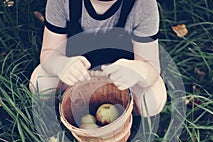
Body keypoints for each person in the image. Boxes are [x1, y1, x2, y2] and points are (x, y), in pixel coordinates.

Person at [29, 0, 167, 117]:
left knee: (153, 99)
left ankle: (122, 104)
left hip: (120, 78)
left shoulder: (143, 5)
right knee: (40, 83)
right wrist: (61, 65)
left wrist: (139, 70)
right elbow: (49, 52)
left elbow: (151, 67)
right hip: (79, 74)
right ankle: (76, 98)